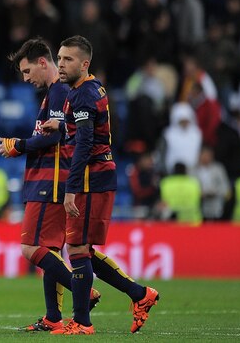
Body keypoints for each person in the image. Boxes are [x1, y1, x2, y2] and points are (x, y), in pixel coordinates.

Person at [41, 35, 159, 335]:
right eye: (60, 57)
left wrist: (70, 189)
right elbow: (89, 130)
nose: (61, 64)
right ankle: (139, 294)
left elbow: (83, 145)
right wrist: (63, 124)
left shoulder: (82, 95)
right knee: (84, 250)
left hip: (92, 178)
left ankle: (82, 322)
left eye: (68, 59)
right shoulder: (86, 89)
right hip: (98, 175)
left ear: (85, 63)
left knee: (78, 248)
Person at [0, 37, 101, 333]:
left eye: (28, 71)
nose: (26, 79)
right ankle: (53, 317)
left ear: (43, 62)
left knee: (30, 248)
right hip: (48, 179)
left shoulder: (58, 92)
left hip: (51, 180)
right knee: (49, 251)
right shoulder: (55, 93)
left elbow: (53, 138)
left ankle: (83, 291)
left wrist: (18, 145)